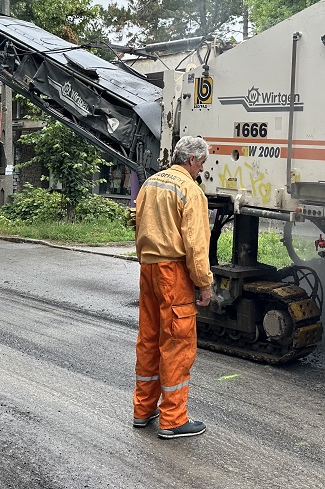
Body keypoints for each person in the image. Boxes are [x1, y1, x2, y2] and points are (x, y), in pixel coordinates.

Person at [132, 136, 213, 439]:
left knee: (149, 339)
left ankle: (143, 410)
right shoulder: (190, 191)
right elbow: (195, 245)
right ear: (192, 160)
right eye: (202, 162)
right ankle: (173, 419)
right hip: (173, 273)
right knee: (177, 344)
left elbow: (137, 222)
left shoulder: (151, 183)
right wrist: (204, 284)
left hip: (148, 268)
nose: (201, 168)